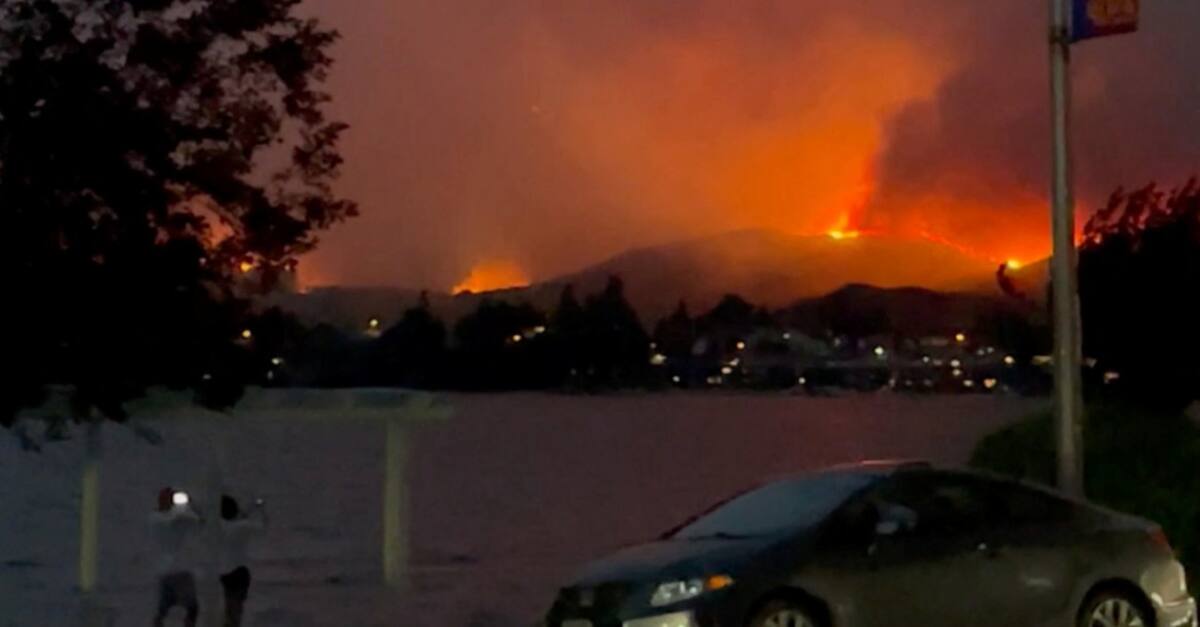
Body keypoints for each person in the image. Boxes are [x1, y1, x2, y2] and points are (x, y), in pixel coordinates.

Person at [150, 486, 203, 627]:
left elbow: (197, 521)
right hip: (178, 570)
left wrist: (190, 505)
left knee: (164, 609)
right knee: (190, 607)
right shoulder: (159, 519)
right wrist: (186, 507)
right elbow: (178, 520)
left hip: (167, 570)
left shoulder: (157, 517)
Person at [217, 494, 267, 627]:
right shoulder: (242, 527)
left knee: (229, 605)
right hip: (239, 571)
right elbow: (262, 527)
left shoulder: (218, 527)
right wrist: (261, 509)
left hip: (223, 572)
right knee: (236, 607)